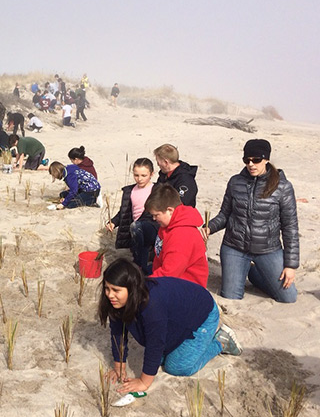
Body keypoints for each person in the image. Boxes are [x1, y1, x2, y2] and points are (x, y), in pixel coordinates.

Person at [98, 259, 241, 393]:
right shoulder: (117, 301)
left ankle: (221, 342)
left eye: (116, 290)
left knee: (177, 367)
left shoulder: (151, 304)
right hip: (177, 318)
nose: (110, 295)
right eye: (107, 288)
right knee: (159, 360)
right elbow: (118, 332)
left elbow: (155, 343)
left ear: (132, 288)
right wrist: (119, 367)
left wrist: (144, 382)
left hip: (202, 314)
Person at [204, 139, 298, 303]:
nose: (251, 164)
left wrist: (290, 265)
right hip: (235, 247)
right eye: (247, 160)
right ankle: (243, 269)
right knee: (231, 296)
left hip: (268, 249)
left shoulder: (283, 187)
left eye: (256, 160)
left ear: (266, 159)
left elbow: (290, 228)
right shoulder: (235, 182)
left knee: (288, 298)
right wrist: (208, 228)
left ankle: (255, 273)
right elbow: (225, 215)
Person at [145, 184, 208, 287]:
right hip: (168, 278)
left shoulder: (182, 235)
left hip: (186, 287)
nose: (154, 219)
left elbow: (170, 273)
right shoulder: (167, 225)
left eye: (156, 215)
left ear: (170, 210)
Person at [107, 158, 158, 274]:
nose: (139, 179)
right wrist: (113, 222)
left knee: (138, 228)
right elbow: (124, 211)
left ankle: (140, 264)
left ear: (152, 174)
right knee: (138, 239)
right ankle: (140, 266)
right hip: (136, 230)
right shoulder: (130, 191)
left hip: (152, 227)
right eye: (136, 175)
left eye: (144, 175)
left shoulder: (156, 189)